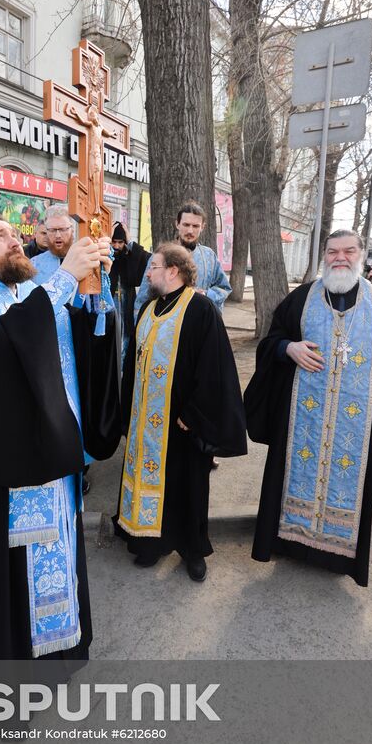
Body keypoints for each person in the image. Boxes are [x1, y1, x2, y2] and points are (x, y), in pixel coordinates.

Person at [0, 214, 120, 676]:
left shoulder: (16, 294)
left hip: (51, 464)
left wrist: (92, 304)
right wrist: (61, 279)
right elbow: (3, 353)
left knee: (60, 559)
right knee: (10, 587)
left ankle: (58, 659)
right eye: (0, 237)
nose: (15, 242)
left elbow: (59, 348)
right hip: (8, 479)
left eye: (17, 235)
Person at [245, 230, 372, 587]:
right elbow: (272, 341)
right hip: (301, 422)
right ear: (324, 256)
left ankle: (339, 557)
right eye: (332, 251)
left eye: (348, 251)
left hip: (357, 429)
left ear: (361, 256)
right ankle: (289, 542)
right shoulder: (302, 299)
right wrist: (287, 350)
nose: (340, 258)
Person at [115, 243, 247, 581]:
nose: (148, 271)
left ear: (173, 270)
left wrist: (193, 413)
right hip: (146, 423)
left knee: (187, 487)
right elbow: (133, 362)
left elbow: (215, 370)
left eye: (154, 266)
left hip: (183, 424)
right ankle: (151, 544)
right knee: (152, 483)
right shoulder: (149, 308)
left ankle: (192, 551)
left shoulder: (201, 309)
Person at [135, 201, 231, 317]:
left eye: (195, 226)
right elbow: (143, 299)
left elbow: (224, 288)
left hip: (200, 323)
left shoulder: (209, 257)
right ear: (177, 224)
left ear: (203, 227)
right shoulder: (160, 256)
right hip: (166, 326)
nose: (190, 231)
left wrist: (206, 295)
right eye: (186, 225)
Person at [110, 222, 150, 362]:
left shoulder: (129, 257)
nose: (116, 246)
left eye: (120, 242)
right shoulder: (105, 255)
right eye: (113, 242)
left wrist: (131, 242)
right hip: (109, 308)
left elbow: (148, 259)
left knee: (126, 347)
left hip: (126, 307)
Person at [30, 204, 74, 283]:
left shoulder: (85, 259)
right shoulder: (34, 265)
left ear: (72, 229)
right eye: (52, 230)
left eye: (63, 229)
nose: (58, 235)